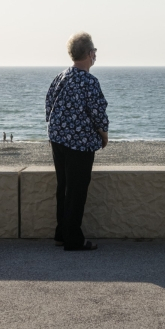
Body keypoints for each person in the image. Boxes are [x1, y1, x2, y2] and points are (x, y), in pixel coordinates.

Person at [45, 32, 109, 251]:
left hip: (57, 138)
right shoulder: (89, 81)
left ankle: (61, 233)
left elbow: (49, 104)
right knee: (77, 189)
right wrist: (103, 134)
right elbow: (98, 112)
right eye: (95, 52)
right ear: (90, 54)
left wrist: (55, 130)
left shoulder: (61, 76)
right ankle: (73, 239)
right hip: (79, 143)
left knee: (64, 186)